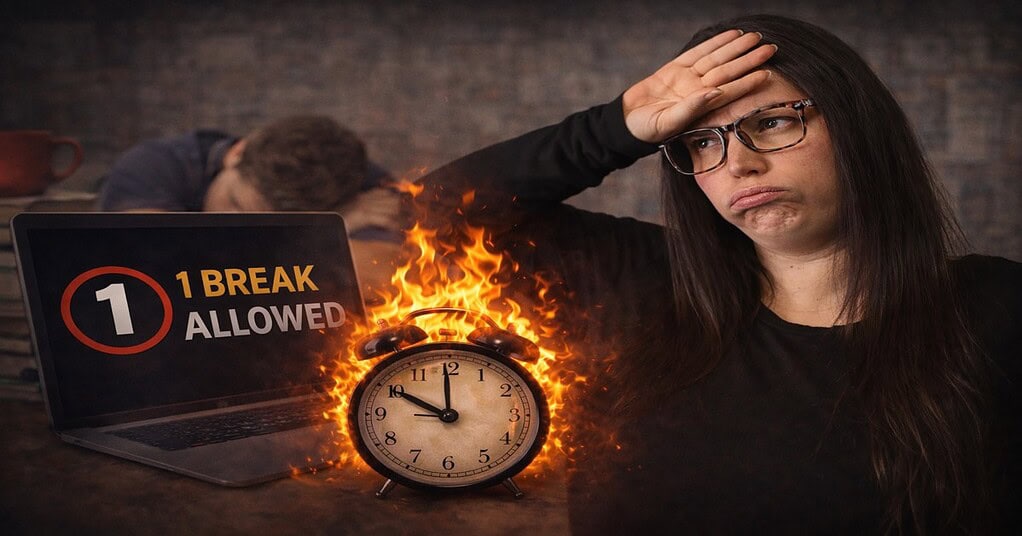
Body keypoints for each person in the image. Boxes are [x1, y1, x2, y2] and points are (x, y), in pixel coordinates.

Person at [414, 15, 1019, 535]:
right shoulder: (638, 285)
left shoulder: (998, 311)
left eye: (775, 121)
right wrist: (617, 126)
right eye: (703, 142)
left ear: (859, 126)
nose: (739, 163)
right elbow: (438, 206)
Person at [98, 115, 406, 291]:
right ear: (237, 153)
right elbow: (146, 269)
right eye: (236, 206)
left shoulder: (360, 184)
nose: (236, 227)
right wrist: (326, 235)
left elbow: (389, 278)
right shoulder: (153, 166)